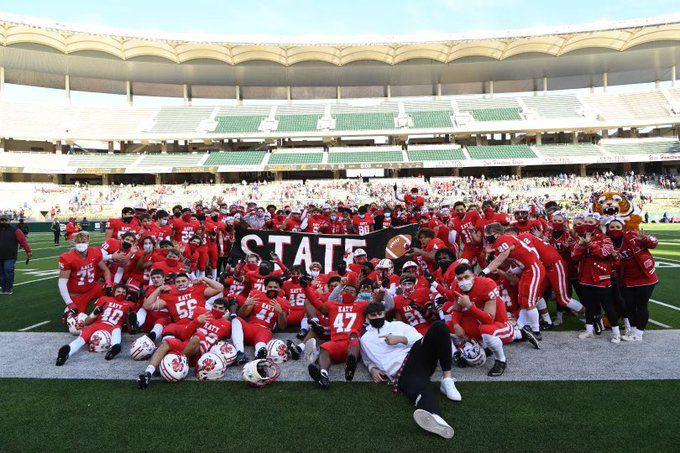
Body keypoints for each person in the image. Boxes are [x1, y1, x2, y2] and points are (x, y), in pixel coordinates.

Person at [361, 302, 460, 439]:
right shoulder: (365, 339)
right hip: (401, 373)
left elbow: (420, 339)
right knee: (420, 390)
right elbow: (366, 358)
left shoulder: (398, 325)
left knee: (439, 327)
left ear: (384, 314)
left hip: (416, 357)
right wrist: (372, 368)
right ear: (367, 318)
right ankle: (437, 419)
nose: (377, 317)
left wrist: (401, 339)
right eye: (373, 315)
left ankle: (447, 380)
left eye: (380, 314)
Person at [0, 214, 32, 295]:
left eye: (5, 220)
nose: (3, 221)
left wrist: (28, 251)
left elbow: (23, 241)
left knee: (8, 270)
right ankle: (3, 288)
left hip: (10, 255)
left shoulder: (16, 230)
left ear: (9, 220)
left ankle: (9, 287)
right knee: (1, 273)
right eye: (2, 220)